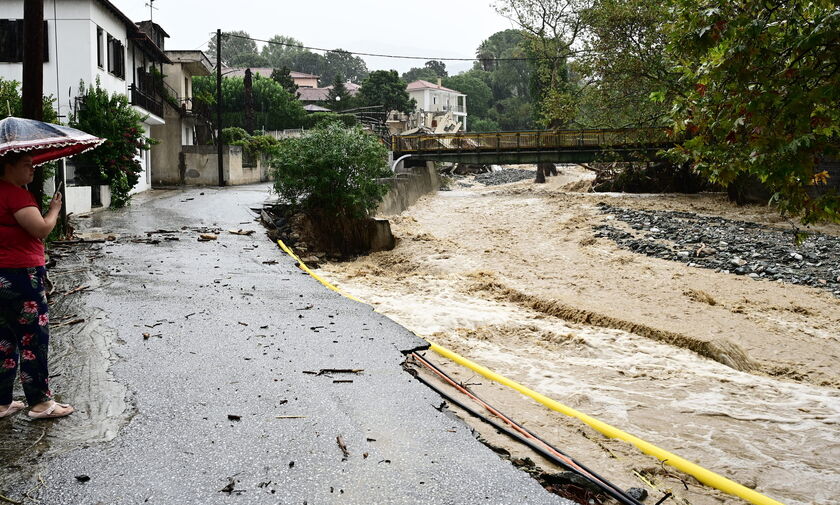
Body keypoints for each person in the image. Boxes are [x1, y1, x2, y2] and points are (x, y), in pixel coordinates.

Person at [0, 152, 74, 419]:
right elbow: (41, 229)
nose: (32, 169)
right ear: (8, 166)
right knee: (33, 337)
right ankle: (41, 404)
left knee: (4, 339)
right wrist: (54, 209)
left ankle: (2, 402)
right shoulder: (16, 195)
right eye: (25, 165)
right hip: (22, 276)